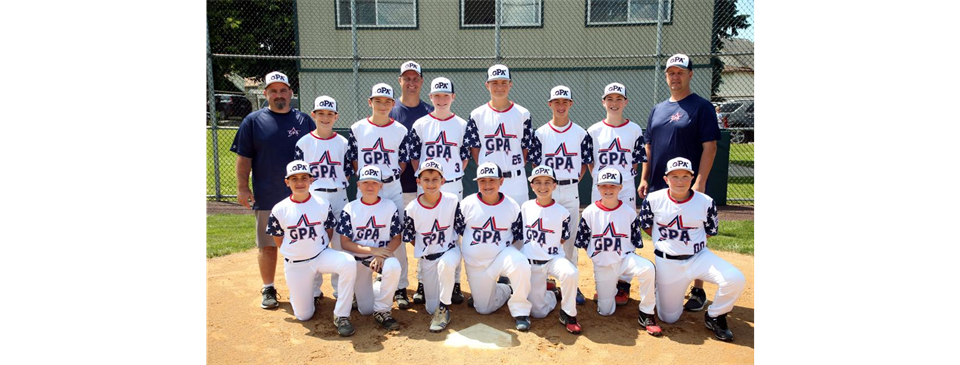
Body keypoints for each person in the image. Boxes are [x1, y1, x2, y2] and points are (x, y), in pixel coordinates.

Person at [638, 54, 721, 313]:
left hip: (688, 185)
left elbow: (710, 147)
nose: (675, 77)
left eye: (680, 72)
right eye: (671, 72)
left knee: (693, 230)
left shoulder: (701, 107)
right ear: (666, 76)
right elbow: (649, 146)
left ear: (690, 75)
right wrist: (644, 176)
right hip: (659, 184)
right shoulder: (658, 109)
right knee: (662, 230)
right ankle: (665, 279)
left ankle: (697, 288)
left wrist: (701, 181)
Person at [231, 71, 316, 310]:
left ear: (290, 93)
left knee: (306, 241)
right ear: (266, 93)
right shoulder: (253, 121)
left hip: (302, 196)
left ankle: (308, 288)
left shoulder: (303, 121)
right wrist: (242, 187)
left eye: (282, 90)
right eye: (273, 91)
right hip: (268, 193)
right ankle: (268, 287)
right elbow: (243, 157)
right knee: (268, 244)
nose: (278, 95)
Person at [640, 157, 745, 342]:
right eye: (675, 176)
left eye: (685, 176)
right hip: (668, 262)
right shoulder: (654, 199)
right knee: (669, 318)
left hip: (698, 258)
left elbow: (711, 231)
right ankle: (661, 286)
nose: (680, 181)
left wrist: (689, 244)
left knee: (734, 278)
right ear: (666, 179)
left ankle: (715, 316)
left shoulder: (705, 201)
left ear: (692, 177)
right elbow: (646, 226)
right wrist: (668, 242)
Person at [265, 160, 357, 336]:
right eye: (294, 179)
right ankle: (302, 295)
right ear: (287, 182)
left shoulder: (322, 204)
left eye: (304, 178)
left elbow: (329, 230)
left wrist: (319, 248)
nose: (300, 183)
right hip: (296, 264)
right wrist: (297, 252)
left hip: (320, 256)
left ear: (311, 180)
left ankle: (341, 315)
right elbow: (278, 239)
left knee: (348, 262)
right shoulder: (280, 209)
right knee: (304, 315)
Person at [348, 83, 413, 309]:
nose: (382, 105)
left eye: (387, 101)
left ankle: (401, 285)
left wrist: (389, 177)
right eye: (378, 101)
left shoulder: (400, 130)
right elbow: (353, 158)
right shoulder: (357, 128)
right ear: (370, 102)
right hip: (366, 187)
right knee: (363, 233)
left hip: (392, 187)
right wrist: (368, 180)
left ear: (393, 104)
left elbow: (404, 160)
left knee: (397, 235)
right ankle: (360, 286)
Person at [575, 167, 661, 336]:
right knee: (606, 311)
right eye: (604, 186)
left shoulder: (629, 212)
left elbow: (635, 242)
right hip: (603, 265)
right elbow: (582, 241)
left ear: (621, 187)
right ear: (598, 187)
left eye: (613, 186)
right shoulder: (589, 212)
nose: (608, 190)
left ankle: (647, 313)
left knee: (647, 268)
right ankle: (608, 289)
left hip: (624, 261)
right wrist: (595, 255)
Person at [528, 85, 593, 306]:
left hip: (570, 189)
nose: (561, 106)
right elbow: (536, 164)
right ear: (550, 105)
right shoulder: (540, 133)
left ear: (571, 104)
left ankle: (571, 286)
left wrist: (571, 180)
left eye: (565, 102)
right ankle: (546, 280)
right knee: (544, 235)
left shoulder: (581, 133)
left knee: (570, 240)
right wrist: (546, 187)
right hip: (547, 190)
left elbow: (584, 164)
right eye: (557, 102)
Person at [406, 77, 467, 306]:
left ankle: (456, 282)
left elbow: (465, 155)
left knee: (453, 233)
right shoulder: (421, 124)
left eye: (446, 95)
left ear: (453, 97)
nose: (441, 100)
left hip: (452, 183)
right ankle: (423, 281)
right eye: (437, 95)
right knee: (425, 231)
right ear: (430, 97)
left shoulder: (461, 124)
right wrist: (424, 181)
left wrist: (451, 175)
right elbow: (413, 156)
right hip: (427, 185)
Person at [459, 162, 533, 331]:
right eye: (482, 181)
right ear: (477, 182)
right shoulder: (467, 204)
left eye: (492, 180)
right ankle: (506, 288)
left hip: (501, 257)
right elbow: (458, 229)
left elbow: (518, 235)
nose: (487, 185)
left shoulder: (512, 205)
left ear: (501, 181)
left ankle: (520, 311)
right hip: (476, 265)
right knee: (484, 309)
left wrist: (498, 247)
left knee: (520, 263)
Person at [294, 95, 353, 301]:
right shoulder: (304, 143)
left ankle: (340, 292)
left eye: (330, 114)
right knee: (315, 245)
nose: (325, 118)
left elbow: (347, 171)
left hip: (339, 196)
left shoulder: (343, 143)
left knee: (340, 244)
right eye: (321, 113)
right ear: (314, 115)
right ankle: (314, 292)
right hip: (315, 197)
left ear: (336, 116)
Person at [337, 166, 403, 331]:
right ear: (358, 185)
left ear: (381, 186)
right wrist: (373, 251)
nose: (370, 186)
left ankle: (382, 310)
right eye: (365, 182)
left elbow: (397, 238)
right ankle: (375, 287)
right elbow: (345, 243)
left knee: (394, 266)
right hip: (359, 259)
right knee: (365, 310)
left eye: (374, 183)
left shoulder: (389, 206)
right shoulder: (350, 208)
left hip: (381, 257)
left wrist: (382, 255)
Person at [401, 160, 464, 332]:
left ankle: (444, 309)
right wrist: (426, 247)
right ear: (418, 181)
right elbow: (410, 237)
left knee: (446, 265)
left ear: (443, 181)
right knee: (430, 308)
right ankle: (438, 305)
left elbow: (461, 228)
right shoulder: (412, 208)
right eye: (426, 179)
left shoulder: (452, 200)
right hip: (428, 259)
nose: (431, 183)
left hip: (450, 251)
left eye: (435, 179)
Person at [519, 165, 581, 334]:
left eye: (548, 182)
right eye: (537, 182)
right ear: (531, 185)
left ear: (555, 186)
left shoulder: (563, 212)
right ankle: (553, 294)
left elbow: (563, 238)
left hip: (553, 259)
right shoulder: (525, 208)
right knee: (538, 312)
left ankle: (568, 313)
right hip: (532, 263)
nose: (542, 187)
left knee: (570, 272)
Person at [465, 64, 535, 209]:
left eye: (504, 83)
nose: (499, 87)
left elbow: (525, 147)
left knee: (520, 222)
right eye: (494, 83)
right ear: (487, 85)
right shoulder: (477, 114)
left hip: (516, 180)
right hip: (489, 181)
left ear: (510, 85)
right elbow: (475, 149)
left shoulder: (523, 114)